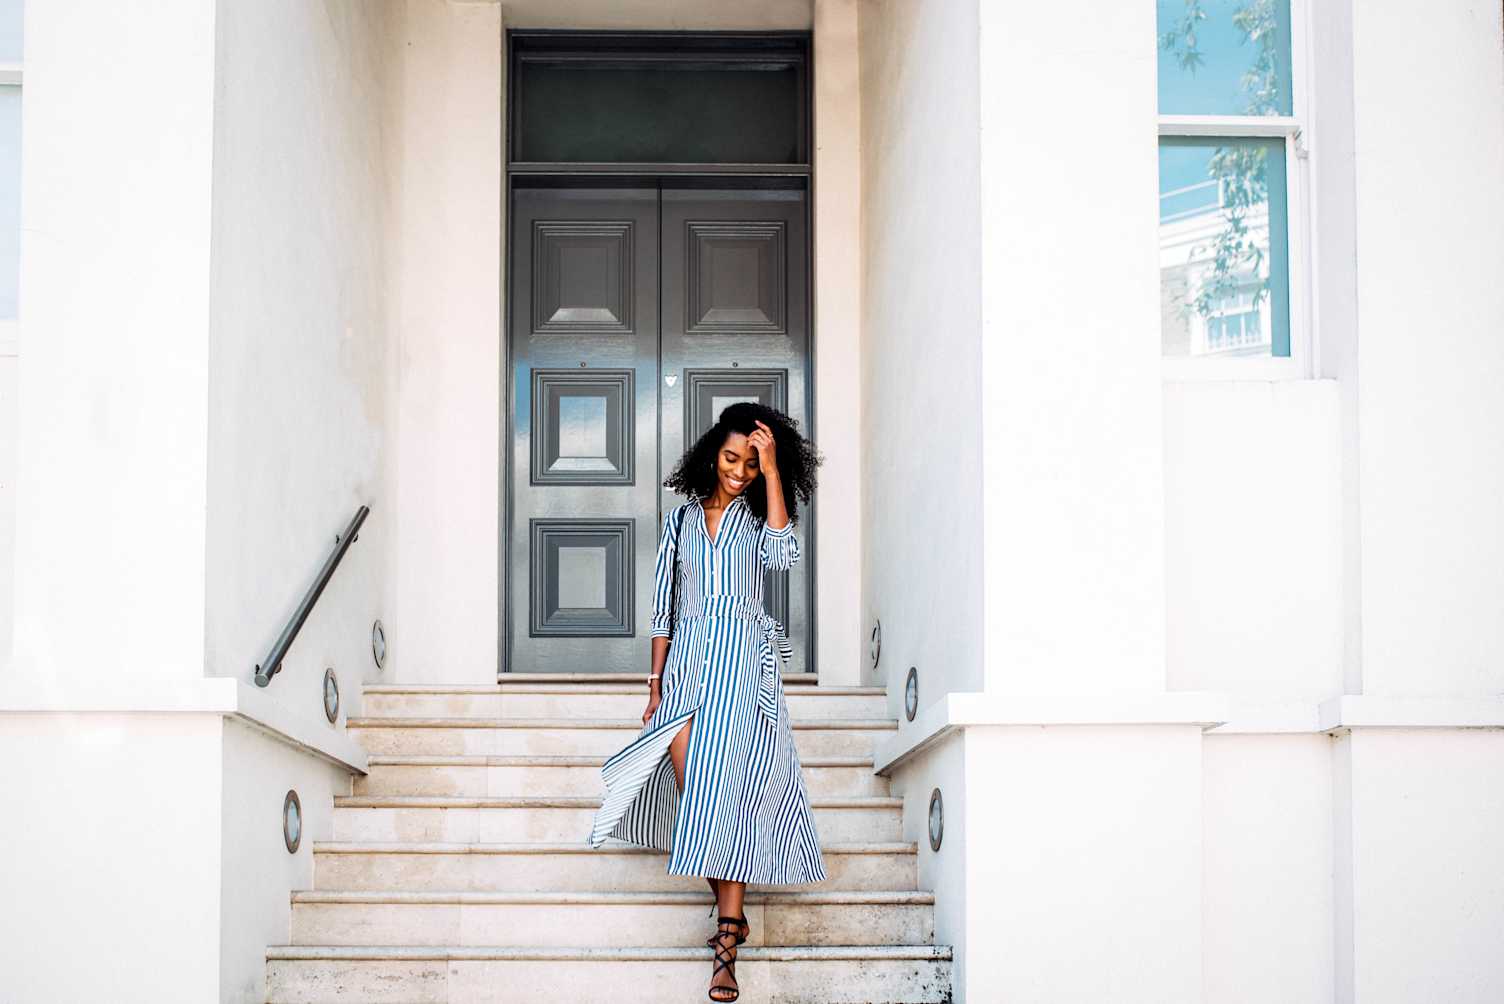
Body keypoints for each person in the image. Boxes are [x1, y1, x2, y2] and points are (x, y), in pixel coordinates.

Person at [586, 401, 826, 1002]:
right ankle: (733, 914)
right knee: (703, 789)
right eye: (731, 458)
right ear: (710, 453)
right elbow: (662, 606)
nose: (738, 471)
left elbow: (785, 556)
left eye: (751, 462)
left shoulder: (759, 512)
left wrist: (774, 475)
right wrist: (655, 682)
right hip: (690, 666)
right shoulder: (682, 521)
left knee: (733, 799)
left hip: (746, 667)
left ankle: (725, 948)